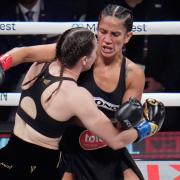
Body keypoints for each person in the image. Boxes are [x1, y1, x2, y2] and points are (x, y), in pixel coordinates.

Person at [0, 4, 165, 180]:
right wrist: (148, 127)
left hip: (107, 145)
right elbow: (25, 53)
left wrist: (130, 118)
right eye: (102, 31)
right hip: (70, 145)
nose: (106, 39)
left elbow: (121, 128)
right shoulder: (78, 51)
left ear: (127, 37)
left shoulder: (133, 73)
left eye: (114, 34)